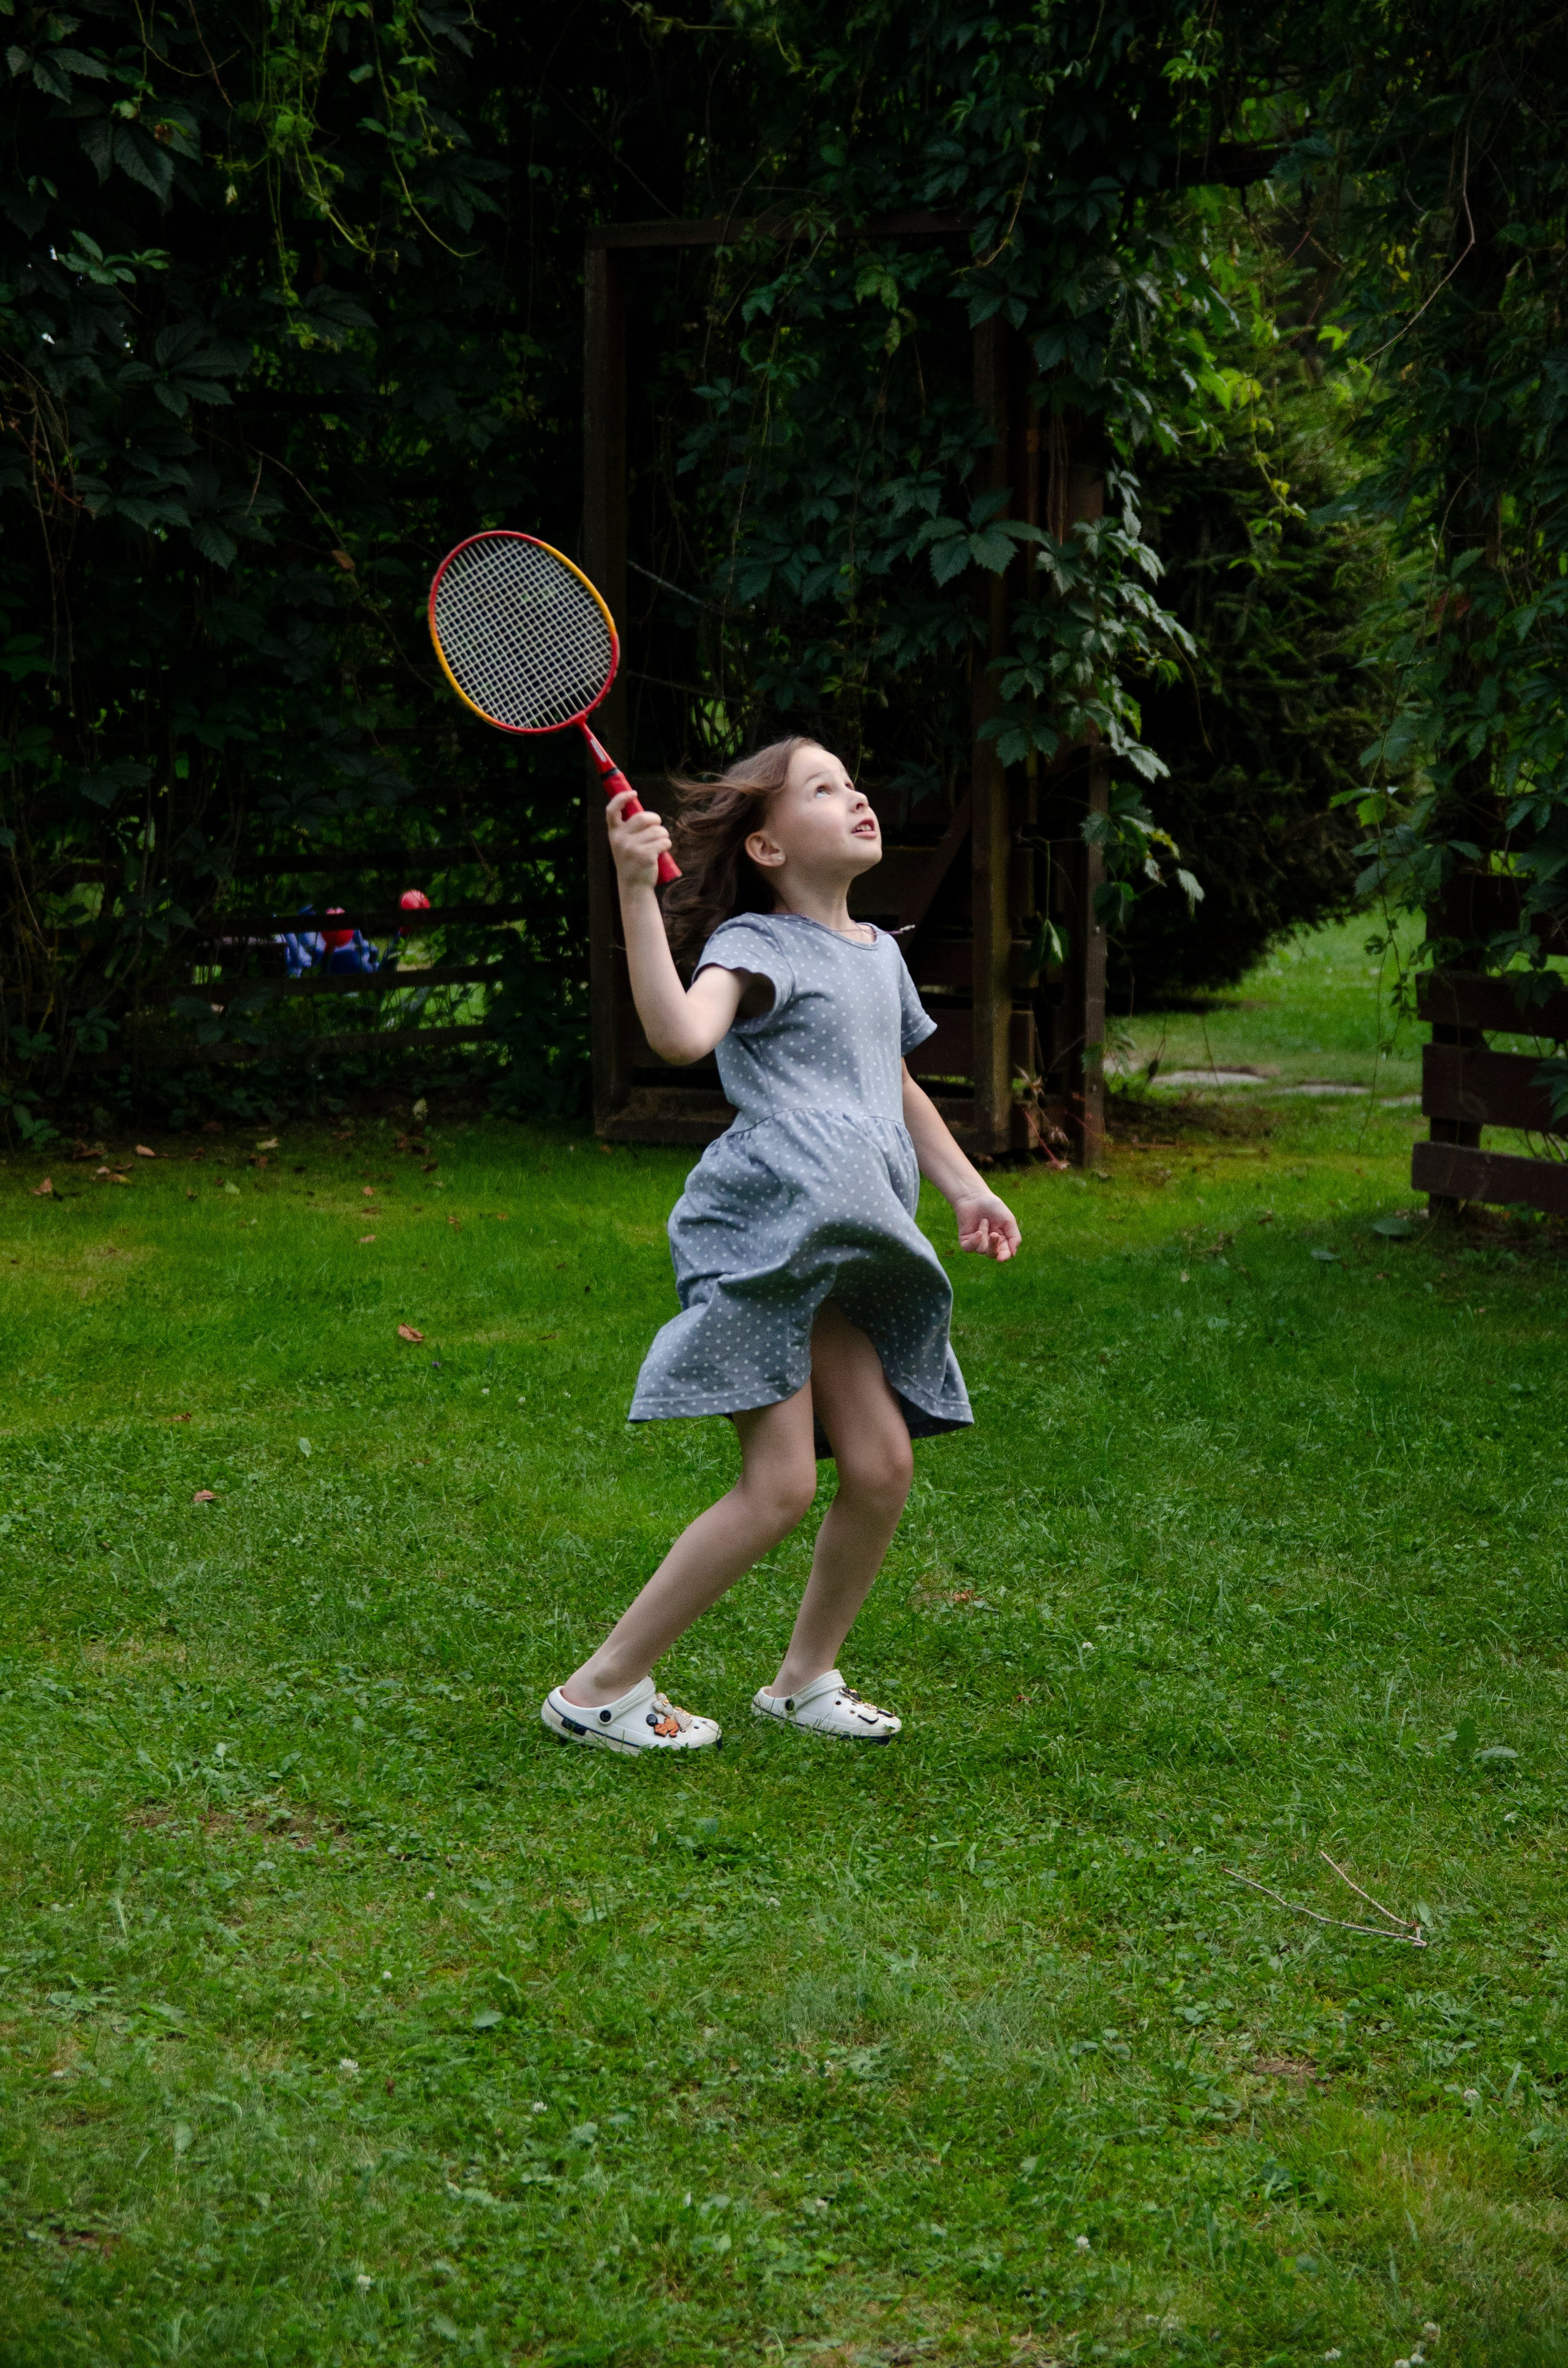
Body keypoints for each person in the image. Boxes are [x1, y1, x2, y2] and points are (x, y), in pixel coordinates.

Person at [540, 736, 1020, 1758]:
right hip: (767, 1232)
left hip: (847, 1240)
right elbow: (677, 1034)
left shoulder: (878, 954)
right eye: (822, 788)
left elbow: (891, 1081)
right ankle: (600, 1688)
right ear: (764, 843)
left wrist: (966, 1185)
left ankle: (803, 1680)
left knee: (883, 1463)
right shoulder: (754, 946)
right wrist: (634, 886)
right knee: (781, 1486)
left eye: (855, 781)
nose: (856, 797)